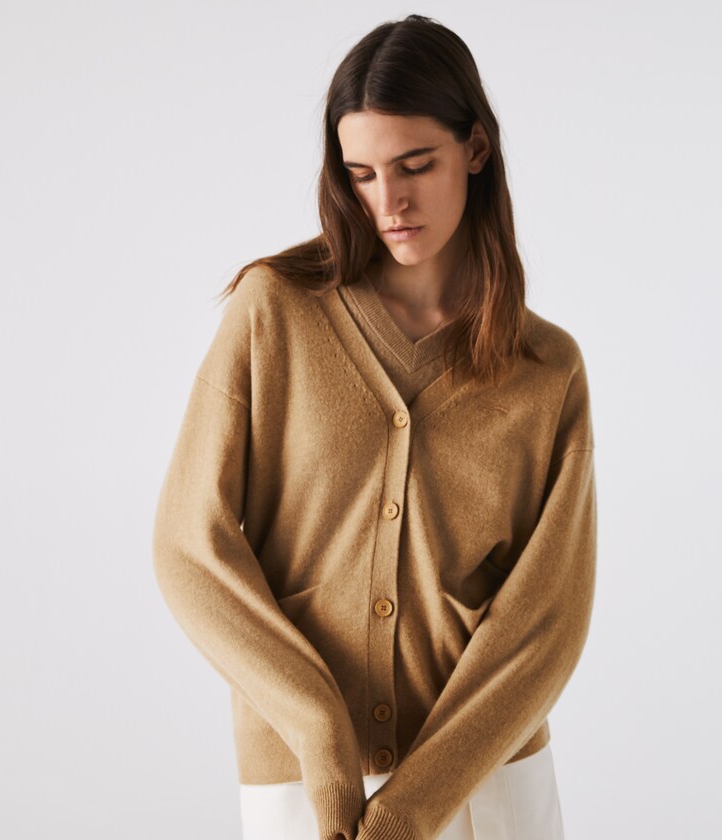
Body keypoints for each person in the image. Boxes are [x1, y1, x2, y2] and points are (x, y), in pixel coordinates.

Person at [152, 13, 597, 840]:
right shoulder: (274, 314)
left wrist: (416, 803)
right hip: (302, 783)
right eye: (360, 174)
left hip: (486, 784)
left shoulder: (546, 369)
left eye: (415, 165)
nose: (388, 202)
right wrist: (319, 730)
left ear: (476, 148)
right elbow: (190, 546)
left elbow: (548, 623)